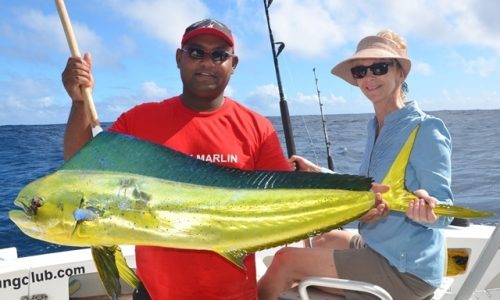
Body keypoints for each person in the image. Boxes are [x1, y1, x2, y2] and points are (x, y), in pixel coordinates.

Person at [62, 18, 291, 300]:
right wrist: (79, 103)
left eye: (219, 54)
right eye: (196, 52)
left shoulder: (257, 127)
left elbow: (286, 200)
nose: (207, 62)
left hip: (234, 294)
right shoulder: (139, 120)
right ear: (179, 58)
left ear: (233, 64)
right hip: (156, 292)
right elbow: (80, 168)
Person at [258, 30, 454, 300]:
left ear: (401, 73)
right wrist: (318, 173)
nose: (369, 78)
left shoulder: (426, 128)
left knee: (284, 260)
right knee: (324, 238)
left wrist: (429, 209)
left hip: (406, 269)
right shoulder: (375, 126)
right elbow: (369, 187)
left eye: (379, 68)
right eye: (360, 71)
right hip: (377, 247)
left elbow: (444, 211)